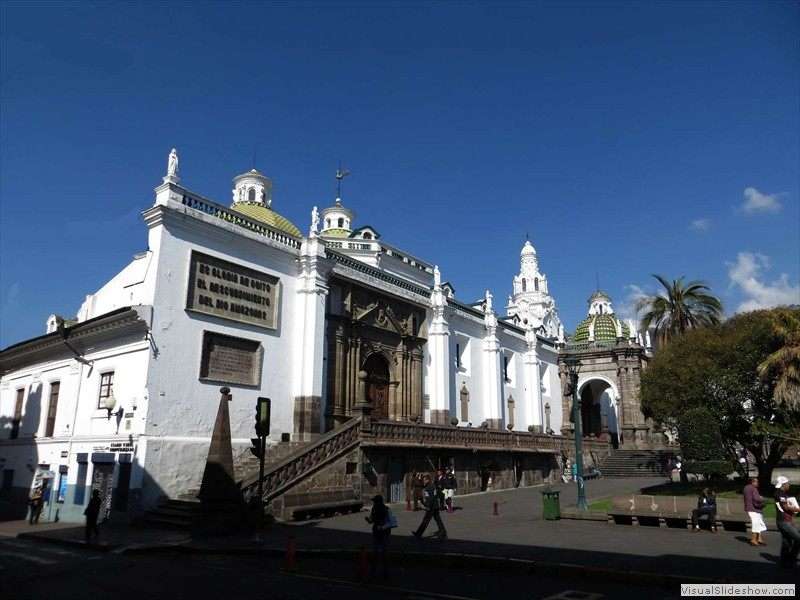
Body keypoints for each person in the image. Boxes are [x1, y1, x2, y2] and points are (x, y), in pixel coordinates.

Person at [774, 476, 800, 569]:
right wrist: (797, 509)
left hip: (784, 521)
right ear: (783, 484)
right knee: (798, 539)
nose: (789, 485)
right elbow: (785, 507)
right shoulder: (780, 494)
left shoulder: (783, 494)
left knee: (786, 542)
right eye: (788, 484)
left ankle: (784, 561)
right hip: (784, 521)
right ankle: (791, 559)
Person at [365, 494, 392, 579]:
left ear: (378, 502)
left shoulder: (386, 509)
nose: (374, 503)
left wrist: (381, 527)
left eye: (375, 501)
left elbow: (391, 522)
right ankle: (376, 572)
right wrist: (368, 520)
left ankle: (384, 572)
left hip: (383, 533)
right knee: (377, 553)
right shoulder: (375, 509)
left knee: (382, 553)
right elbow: (371, 520)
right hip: (378, 533)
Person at [412, 474, 447, 540]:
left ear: (428, 480)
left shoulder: (428, 488)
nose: (423, 481)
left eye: (424, 480)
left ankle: (418, 534)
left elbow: (429, 499)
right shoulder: (433, 486)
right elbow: (440, 495)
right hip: (435, 505)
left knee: (425, 520)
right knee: (438, 519)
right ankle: (442, 531)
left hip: (431, 507)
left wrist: (425, 505)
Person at [743, 477, 767, 546]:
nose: (758, 483)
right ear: (752, 482)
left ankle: (759, 538)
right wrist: (762, 498)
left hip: (749, 508)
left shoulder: (746, 488)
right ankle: (754, 539)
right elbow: (756, 499)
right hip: (755, 509)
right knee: (756, 524)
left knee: (758, 523)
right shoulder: (753, 488)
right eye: (756, 482)